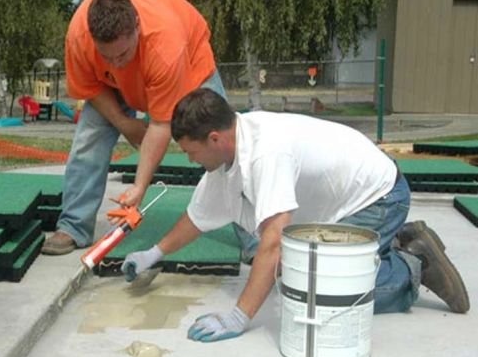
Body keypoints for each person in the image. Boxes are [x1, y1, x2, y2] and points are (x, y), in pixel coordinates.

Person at [122, 88, 470, 343]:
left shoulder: (265, 153)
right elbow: (197, 217)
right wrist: (153, 254)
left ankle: (413, 266)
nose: (189, 159)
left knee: (312, 292)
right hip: (344, 201)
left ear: (215, 138)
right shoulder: (229, 154)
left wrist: (238, 317)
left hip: (377, 198)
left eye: (191, 151)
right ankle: (391, 243)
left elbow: (273, 243)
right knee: (289, 273)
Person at [41, 0, 226, 255]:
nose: (116, 63)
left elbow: (161, 124)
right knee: (87, 143)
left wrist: (139, 187)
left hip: (190, 64)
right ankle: (73, 226)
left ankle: (254, 239)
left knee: (220, 143)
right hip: (113, 85)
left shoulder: (166, 45)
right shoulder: (79, 35)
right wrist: (125, 123)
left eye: (123, 54)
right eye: (106, 55)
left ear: (137, 26)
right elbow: (91, 88)